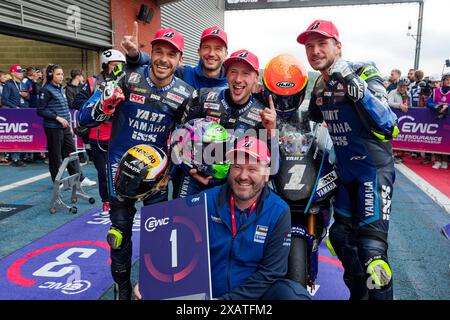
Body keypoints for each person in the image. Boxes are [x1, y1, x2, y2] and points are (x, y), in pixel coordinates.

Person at [78, 28, 195, 300]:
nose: (164, 59)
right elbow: (84, 119)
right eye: (159, 52)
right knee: (118, 235)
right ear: (150, 53)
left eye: (171, 54)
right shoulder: (125, 79)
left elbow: (183, 140)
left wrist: (172, 170)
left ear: (179, 59)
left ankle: (150, 286)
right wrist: (104, 107)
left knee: (159, 236)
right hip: (120, 169)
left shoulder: (187, 93)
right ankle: (121, 289)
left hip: (157, 177)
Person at [297, 19, 398, 300]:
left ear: (338, 47)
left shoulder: (363, 70)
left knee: (372, 253)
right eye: (309, 46)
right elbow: (309, 121)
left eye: (322, 43)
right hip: (345, 174)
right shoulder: (319, 84)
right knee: (339, 238)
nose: (315, 50)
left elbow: (390, 125)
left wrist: (355, 85)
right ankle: (359, 294)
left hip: (372, 173)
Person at [201, 137, 310, 300]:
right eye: (237, 167)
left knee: (294, 296)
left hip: (253, 299)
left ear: (266, 174)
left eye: (252, 169)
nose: (243, 176)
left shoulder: (278, 211)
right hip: (207, 296)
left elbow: (270, 273)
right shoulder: (204, 201)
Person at [174, 49, 278, 198]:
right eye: (233, 72)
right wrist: (185, 169)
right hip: (192, 179)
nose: (238, 79)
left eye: (246, 74)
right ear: (226, 73)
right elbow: (178, 139)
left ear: (256, 78)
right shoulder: (203, 98)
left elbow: (272, 170)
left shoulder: (263, 114)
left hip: (233, 187)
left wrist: (271, 133)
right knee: (181, 219)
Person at [74, 50, 126, 213]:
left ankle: (122, 200)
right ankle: (106, 200)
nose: (118, 68)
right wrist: (98, 104)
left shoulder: (126, 80)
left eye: (121, 65)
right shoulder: (92, 82)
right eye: (114, 65)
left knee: (122, 170)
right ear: (105, 65)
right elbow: (78, 102)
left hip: (119, 133)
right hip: (98, 135)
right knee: (103, 172)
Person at [37, 64, 97, 187]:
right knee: (55, 156)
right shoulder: (45, 90)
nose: (61, 76)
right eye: (58, 74)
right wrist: (57, 118)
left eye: (62, 74)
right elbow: (40, 110)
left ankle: (79, 178)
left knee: (72, 153)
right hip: (53, 127)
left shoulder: (60, 88)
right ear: (50, 75)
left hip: (65, 128)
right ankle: (57, 181)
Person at [2, 64, 31, 166]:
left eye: (22, 71)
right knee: (17, 136)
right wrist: (15, 108)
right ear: (13, 73)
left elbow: (28, 97)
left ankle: (24, 156)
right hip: (14, 113)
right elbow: (4, 100)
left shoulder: (23, 84)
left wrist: (26, 96)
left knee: (25, 135)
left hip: (24, 111)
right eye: (19, 71)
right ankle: (15, 158)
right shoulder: (8, 84)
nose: (21, 73)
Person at [427, 73, 449, 169]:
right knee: (435, 138)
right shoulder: (435, 91)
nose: (449, 81)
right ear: (443, 81)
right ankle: (437, 160)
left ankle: (444, 160)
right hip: (436, 117)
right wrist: (436, 106)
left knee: (445, 139)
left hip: (447, 118)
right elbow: (428, 103)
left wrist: (447, 106)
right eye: (447, 79)